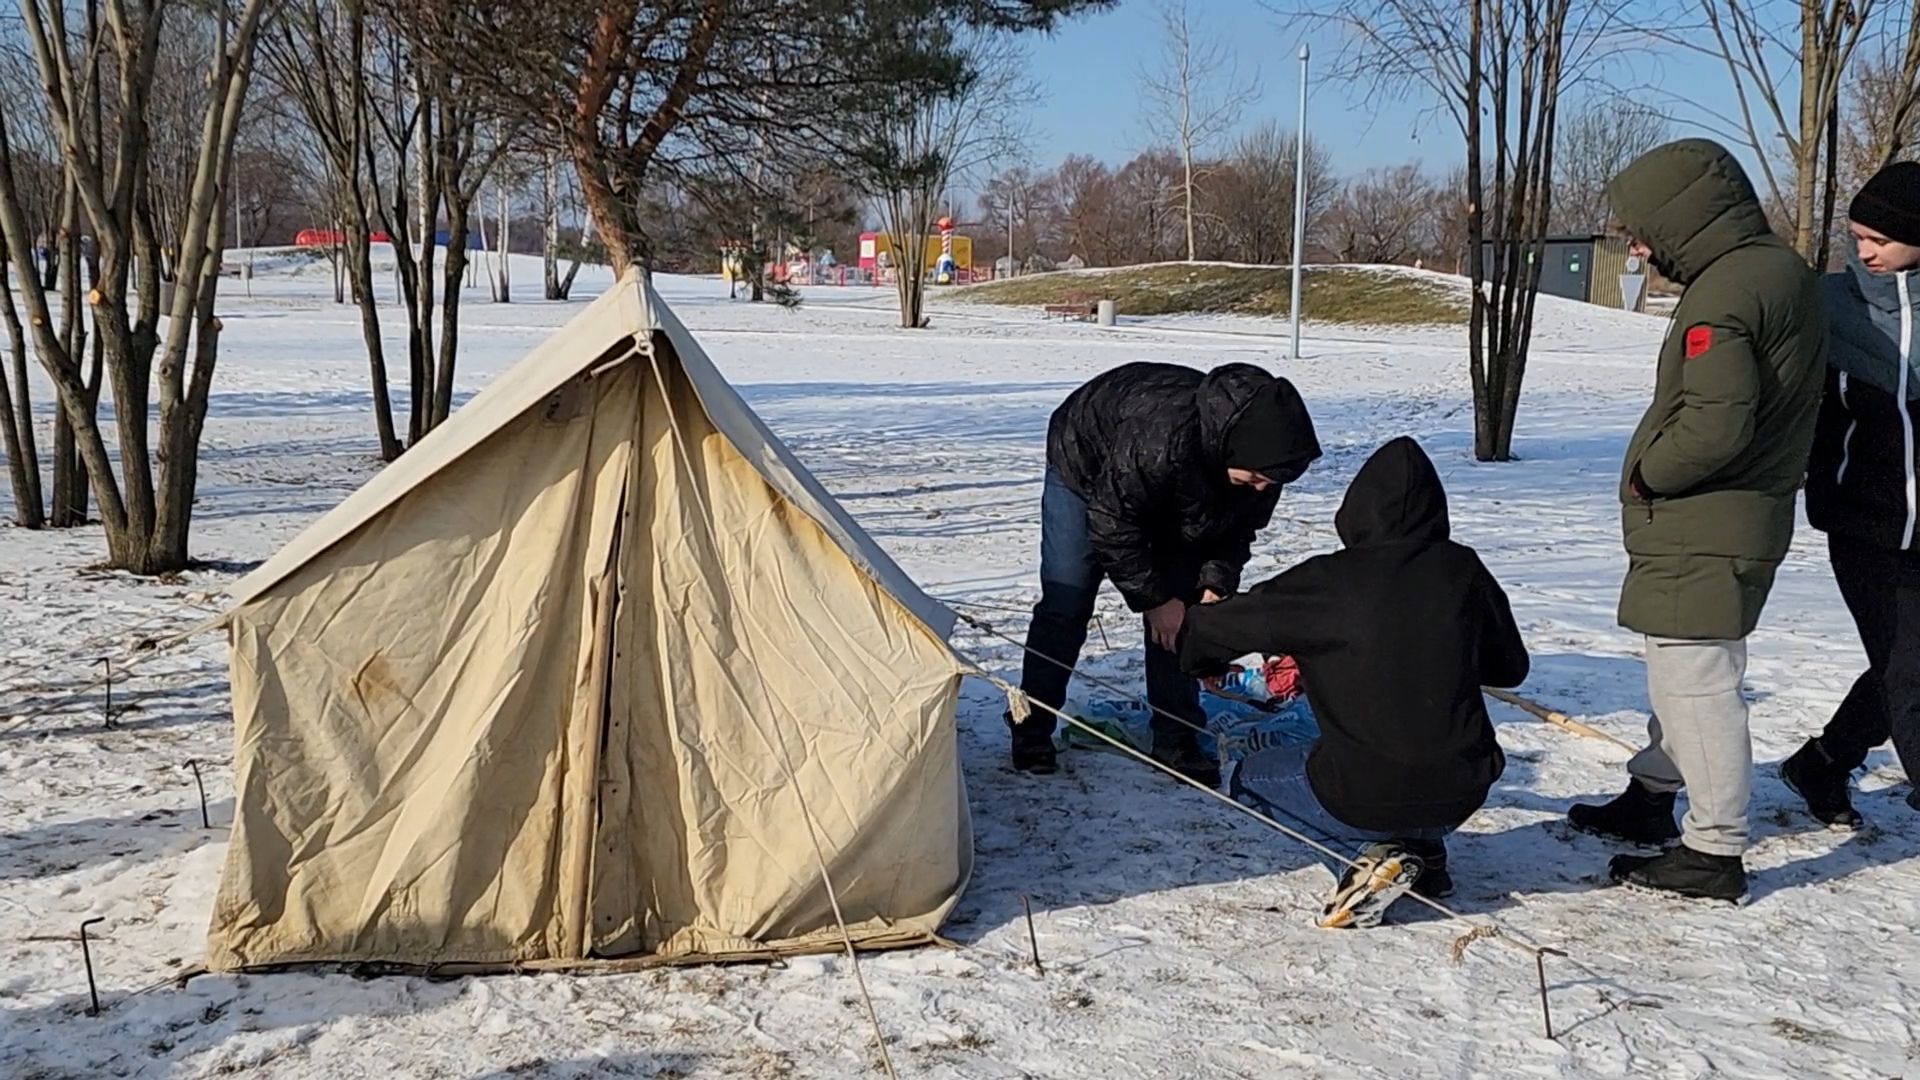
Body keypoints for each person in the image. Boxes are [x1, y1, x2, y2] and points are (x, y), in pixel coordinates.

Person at [1568, 139, 1827, 902]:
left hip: (1706, 520)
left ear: (1684, 218)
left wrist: (1649, 474)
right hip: (1736, 518)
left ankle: (1713, 850)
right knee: (1678, 674)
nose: (1638, 247)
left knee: (1697, 685)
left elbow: (1715, 428)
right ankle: (1651, 796)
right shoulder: (1772, 270)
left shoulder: (1725, 294)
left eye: (1642, 231)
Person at [1179, 437, 1530, 928]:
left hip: (1364, 791)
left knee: (1247, 779)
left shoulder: (1326, 581)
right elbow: (1510, 668)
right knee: (1410, 761)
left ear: (1357, 510)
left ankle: (1362, 861)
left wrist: (1197, 657)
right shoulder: (1462, 568)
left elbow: (1211, 631)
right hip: (1465, 787)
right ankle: (1425, 858)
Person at [1007, 361, 1321, 786]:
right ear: (1231, 451)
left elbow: (1237, 530)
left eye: (1271, 481)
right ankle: (1032, 724)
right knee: (1068, 599)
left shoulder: (1263, 464)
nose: (1264, 488)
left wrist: (1214, 584)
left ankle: (1177, 738)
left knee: (1184, 612)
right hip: (1085, 463)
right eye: (1255, 478)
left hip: (1163, 485)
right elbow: (1112, 524)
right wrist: (1153, 600)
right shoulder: (1160, 439)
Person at [1786, 161, 1920, 828]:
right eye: (1857, 236)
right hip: (1861, 520)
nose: (1864, 251)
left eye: (1881, 240)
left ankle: (1825, 760)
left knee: (1904, 661)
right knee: (1907, 668)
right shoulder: (1827, 303)